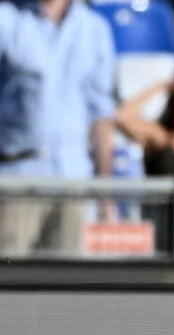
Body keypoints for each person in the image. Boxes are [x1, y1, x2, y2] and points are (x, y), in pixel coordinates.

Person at [0, 0, 116, 256]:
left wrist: (105, 193)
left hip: (75, 181)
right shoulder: (6, 20)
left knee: (66, 289)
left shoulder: (95, 28)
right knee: (9, 287)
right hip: (16, 180)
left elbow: (101, 116)